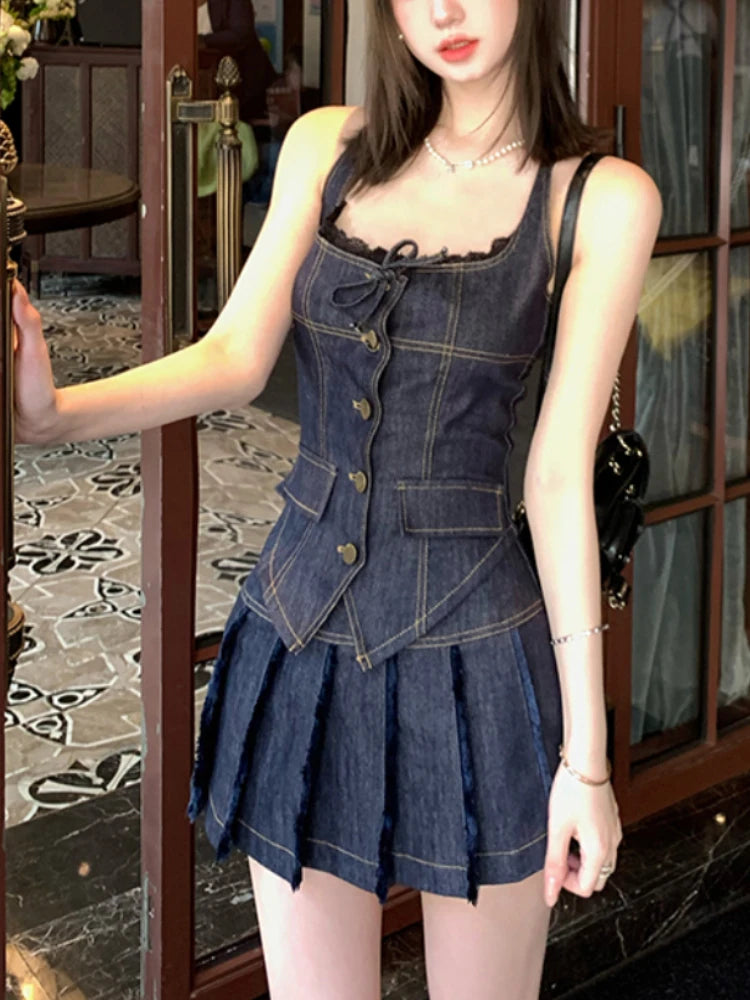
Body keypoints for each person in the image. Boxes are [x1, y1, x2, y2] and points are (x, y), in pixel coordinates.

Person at [12, 0, 662, 997]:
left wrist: (587, 761)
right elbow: (235, 357)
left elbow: (556, 473)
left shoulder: (601, 198)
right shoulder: (327, 148)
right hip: (298, 638)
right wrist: (54, 414)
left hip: (478, 655)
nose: (445, 10)